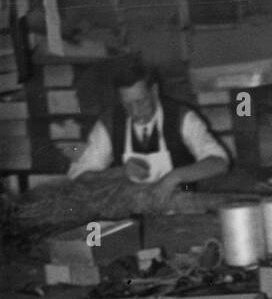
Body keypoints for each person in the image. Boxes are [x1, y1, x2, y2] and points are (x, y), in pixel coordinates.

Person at [67, 56, 230, 207]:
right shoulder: (109, 123)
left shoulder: (182, 117)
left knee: (187, 189)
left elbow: (219, 162)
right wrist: (120, 172)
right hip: (131, 209)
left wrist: (174, 177)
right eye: (128, 105)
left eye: (141, 102)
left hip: (182, 201)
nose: (135, 112)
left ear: (154, 91)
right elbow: (80, 176)